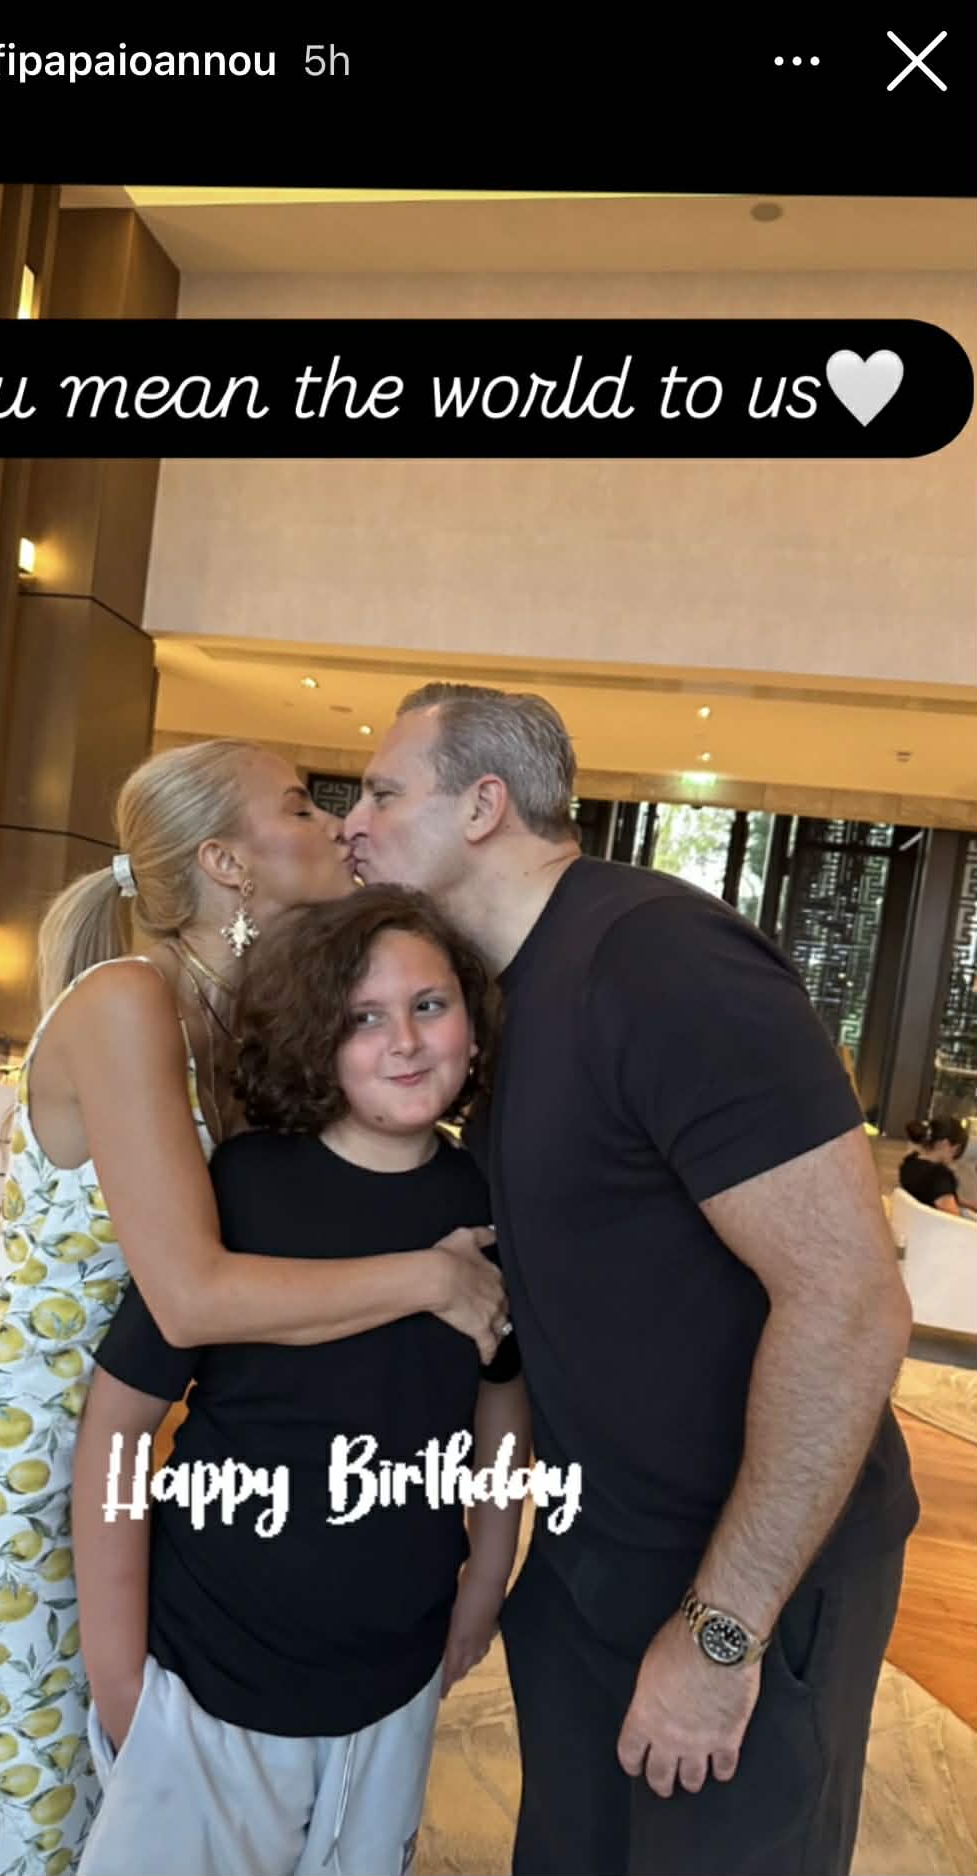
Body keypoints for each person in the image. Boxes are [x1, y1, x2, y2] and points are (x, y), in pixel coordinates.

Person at [0, 742, 507, 1876]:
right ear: (226, 861)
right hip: (20, 1451)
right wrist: (434, 1277)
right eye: (300, 807)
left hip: (125, 1445)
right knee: (4, 1808)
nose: (337, 825)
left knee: (109, 1807)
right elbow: (191, 1294)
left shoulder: (225, 1024)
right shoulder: (129, 1001)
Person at [344, 683, 919, 1876]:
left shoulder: (658, 958)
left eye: (382, 793)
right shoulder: (506, 998)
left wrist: (721, 1632)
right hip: (594, 1560)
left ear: (484, 806)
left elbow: (851, 1303)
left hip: (746, 1569)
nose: (353, 823)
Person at [71, 885, 529, 1876]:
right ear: (317, 1034)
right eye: (364, 1017)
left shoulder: (489, 1199)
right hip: (209, 1669)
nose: (403, 1041)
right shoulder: (246, 1187)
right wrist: (115, 1671)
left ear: (472, 1019)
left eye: (429, 1005)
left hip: (394, 1671)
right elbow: (120, 1422)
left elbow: (502, 1399)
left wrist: (486, 1577)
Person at [899, 1115, 976, 1218]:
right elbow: (953, 1219)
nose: (955, 1158)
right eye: (956, 1150)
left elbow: (933, 1195)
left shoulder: (909, 1164)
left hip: (912, 1221)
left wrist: (969, 1204)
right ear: (945, 1144)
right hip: (934, 1226)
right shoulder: (939, 1177)